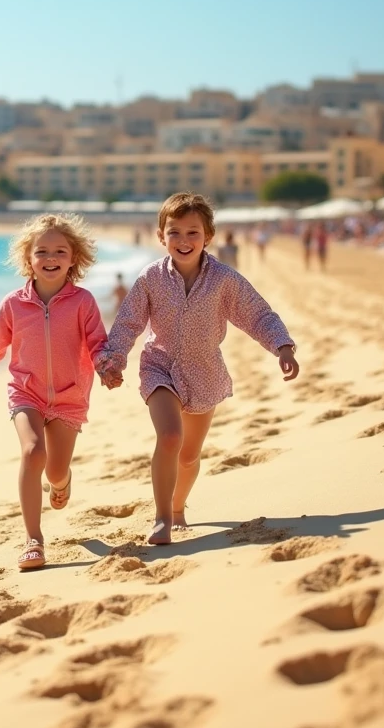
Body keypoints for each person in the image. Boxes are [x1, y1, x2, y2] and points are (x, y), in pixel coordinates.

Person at [98, 192, 299, 546]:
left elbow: (256, 313)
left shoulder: (223, 279)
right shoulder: (150, 279)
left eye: (193, 232)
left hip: (204, 371)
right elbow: (128, 323)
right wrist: (113, 361)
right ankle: (161, 518)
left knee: (189, 456)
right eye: (174, 232)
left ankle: (177, 509)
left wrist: (282, 345)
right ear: (161, 237)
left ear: (208, 236)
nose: (184, 241)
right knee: (170, 437)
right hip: (159, 367)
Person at [0, 213, 109, 570]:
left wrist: (106, 368)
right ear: (28, 259)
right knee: (33, 451)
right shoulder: (13, 304)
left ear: (74, 258)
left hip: (69, 396)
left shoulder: (83, 302)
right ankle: (33, 539)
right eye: (42, 252)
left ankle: (62, 482)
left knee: (54, 471)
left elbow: (98, 343)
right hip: (26, 393)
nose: (51, 259)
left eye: (60, 252)